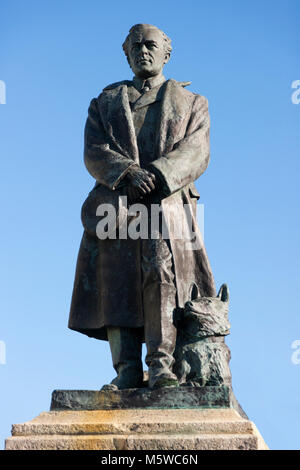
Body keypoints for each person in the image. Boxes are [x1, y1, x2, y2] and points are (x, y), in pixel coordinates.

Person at [68, 23, 216, 389]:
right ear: (126, 54)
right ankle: (127, 370)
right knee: (116, 283)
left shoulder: (193, 103)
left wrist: (158, 174)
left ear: (167, 52)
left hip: (165, 205)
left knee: (162, 279)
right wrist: (128, 174)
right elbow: (94, 151)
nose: (142, 51)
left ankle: (162, 365)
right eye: (134, 47)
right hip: (117, 204)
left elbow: (196, 151)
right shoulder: (104, 103)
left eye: (150, 45)